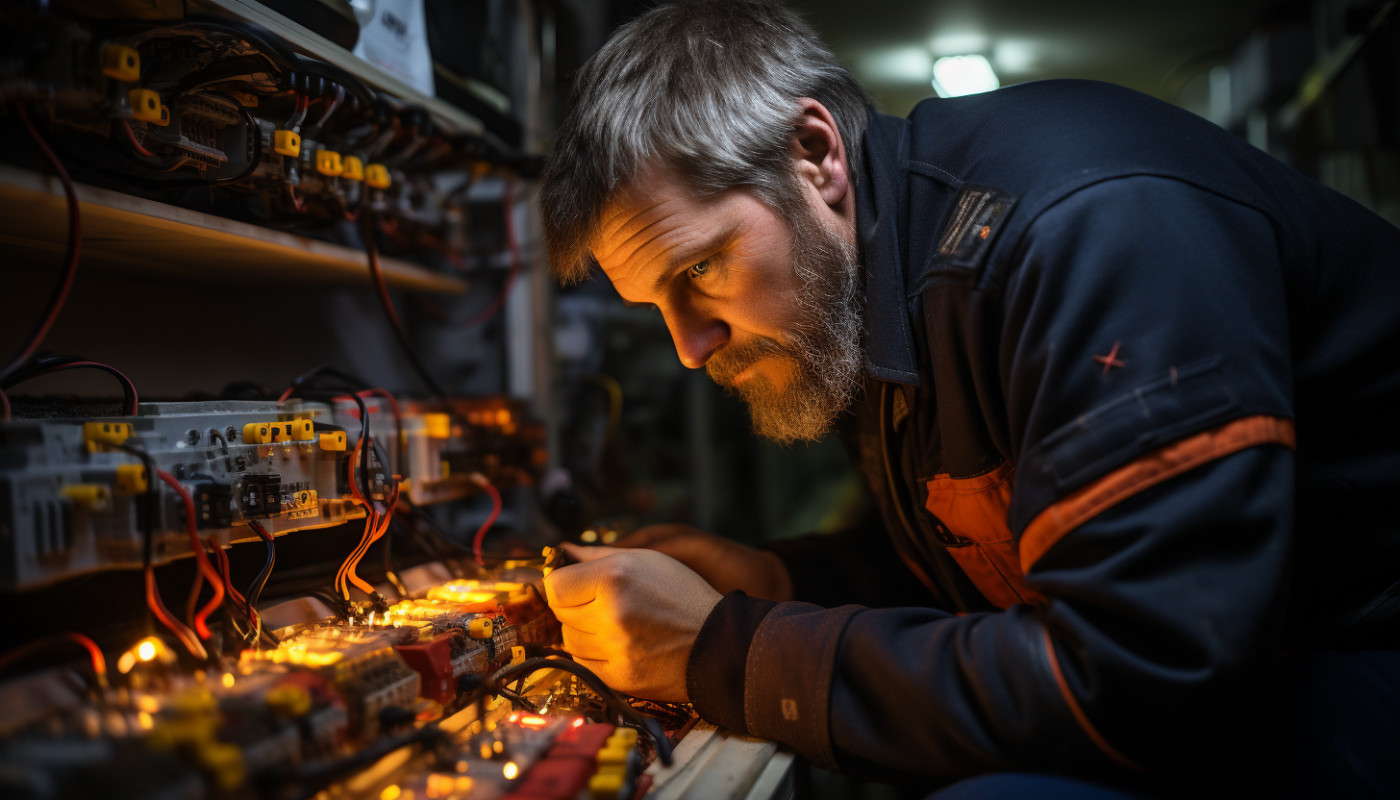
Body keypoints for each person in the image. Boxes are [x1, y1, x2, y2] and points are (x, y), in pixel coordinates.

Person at [537, 1, 1400, 796]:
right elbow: (985, 565)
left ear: (814, 155)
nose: (691, 348)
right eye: (658, 306)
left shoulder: (1085, 227)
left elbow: (1153, 675)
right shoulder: (872, 284)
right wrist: (781, 578)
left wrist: (725, 651)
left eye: (700, 269)